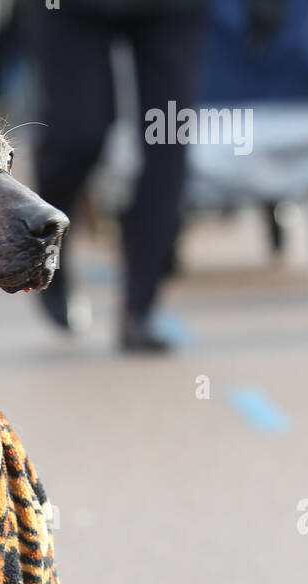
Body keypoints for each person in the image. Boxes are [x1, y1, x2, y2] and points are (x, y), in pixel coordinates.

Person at [24, 0, 210, 351]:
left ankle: (140, 309)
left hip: (172, 12)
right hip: (72, 11)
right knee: (76, 135)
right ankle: (48, 249)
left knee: (168, 143)